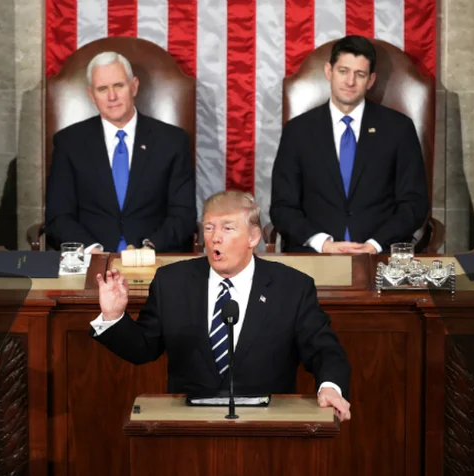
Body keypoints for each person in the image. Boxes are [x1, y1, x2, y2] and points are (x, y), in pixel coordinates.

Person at [89, 190, 352, 421]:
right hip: (188, 428)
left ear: (253, 237)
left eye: (227, 228)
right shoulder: (172, 282)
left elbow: (324, 350)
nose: (215, 238)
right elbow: (143, 348)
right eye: (209, 228)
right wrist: (113, 317)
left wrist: (330, 387)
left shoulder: (292, 287)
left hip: (268, 427)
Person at [270, 35, 429, 254]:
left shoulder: (398, 129)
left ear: (371, 80)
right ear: (329, 72)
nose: (350, 82)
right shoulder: (298, 131)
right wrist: (321, 243)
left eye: (360, 74)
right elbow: (282, 207)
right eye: (343, 71)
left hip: (379, 255)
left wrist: (374, 245)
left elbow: (414, 204)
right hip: (315, 255)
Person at [45, 51, 197, 253]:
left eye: (119, 85)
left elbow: (183, 214)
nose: (112, 97)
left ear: (134, 86)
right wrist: (92, 249)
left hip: (153, 258)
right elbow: (58, 216)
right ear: (92, 95)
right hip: (92, 259)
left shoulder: (172, 141)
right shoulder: (69, 143)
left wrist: (150, 247)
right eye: (102, 89)